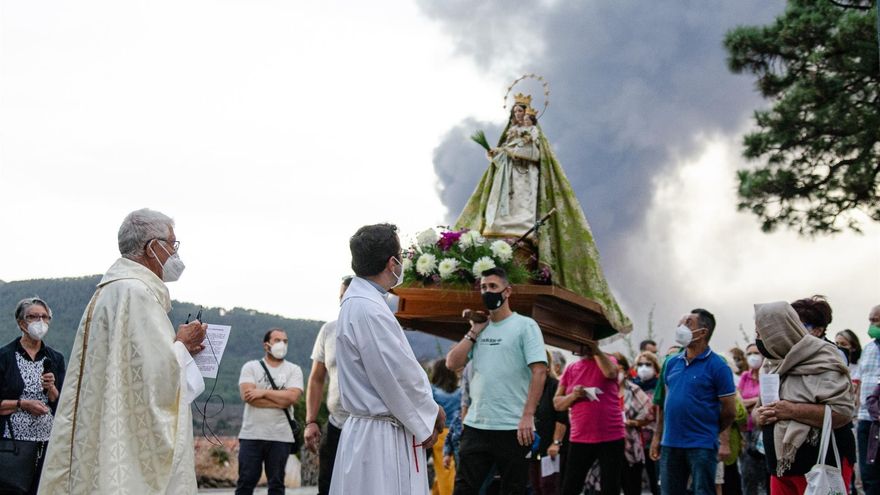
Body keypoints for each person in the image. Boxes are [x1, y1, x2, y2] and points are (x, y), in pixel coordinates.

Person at [39, 208, 207, 494]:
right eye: (173, 245)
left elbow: (132, 373)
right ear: (152, 248)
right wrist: (183, 344)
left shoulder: (112, 290)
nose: (175, 254)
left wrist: (180, 348)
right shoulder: (136, 294)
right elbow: (154, 381)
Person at [455, 93, 631, 336]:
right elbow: (502, 159)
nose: (519, 115)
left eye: (522, 112)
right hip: (505, 183)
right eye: (516, 112)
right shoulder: (510, 135)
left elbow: (535, 156)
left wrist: (512, 153)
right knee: (497, 216)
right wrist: (498, 155)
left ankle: (521, 246)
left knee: (520, 213)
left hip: (526, 182)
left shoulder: (533, 135)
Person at [330, 223, 445, 495]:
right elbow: (396, 374)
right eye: (401, 255)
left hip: (372, 431)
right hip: (379, 438)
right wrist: (431, 412)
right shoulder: (368, 309)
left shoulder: (361, 302)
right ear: (392, 263)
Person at [446, 266, 548, 495]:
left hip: (514, 426)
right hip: (476, 425)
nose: (487, 291)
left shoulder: (525, 326)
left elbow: (540, 371)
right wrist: (474, 331)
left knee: (513, 490)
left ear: (507, 291)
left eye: (493, 286)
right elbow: (452, 363)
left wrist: (528, 415)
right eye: (483, 287)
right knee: (463, 489)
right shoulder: (480, 328)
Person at [752, 301, 856, 494]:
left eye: (762, 334)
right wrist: (760, 416)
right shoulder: (771, 364)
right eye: (757, 334)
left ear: (779, 333)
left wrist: (791, 410)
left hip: (820, 468)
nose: (758, 340)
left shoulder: (823, 358)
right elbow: (759, 409)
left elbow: (842, 412)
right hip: (780, 468)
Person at [649, 308, 736, 495]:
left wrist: (711, 430)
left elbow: (729, 411)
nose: (681, 327)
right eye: (680, 323)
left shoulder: (718, 366)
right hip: (670, 443)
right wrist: (657, 437)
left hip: (701, 444)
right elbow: (665, 404)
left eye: (688, 323)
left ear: (703, 332)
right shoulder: (671, 363)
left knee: (703, 491)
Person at [0, 298, 66, 494]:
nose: (40, 321)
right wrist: (23, 404)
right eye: (33, 317)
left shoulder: (55, 358)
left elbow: (61, 402)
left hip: (47, 442)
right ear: (22, 323)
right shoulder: (5, 357)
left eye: (44, 317)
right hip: (12, 443)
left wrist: (51, 388)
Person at [236, 328, 304, 495]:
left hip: (281, 436)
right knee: (245, 483)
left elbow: (292, 398)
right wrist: (281, 399)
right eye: (277, 340)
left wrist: (262, 392)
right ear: (266, 345)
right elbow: (248, 397)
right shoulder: (251, 367)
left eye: (285, 341)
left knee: (277, 486)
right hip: (251, 435)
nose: (282, 344)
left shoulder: (294, 370)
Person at [552, 340, 624, 495]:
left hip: (611, 435)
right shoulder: (571, 369)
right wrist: (574, 395)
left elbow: (611, 373)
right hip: (581, 436)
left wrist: (596, 350)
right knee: (571, 485)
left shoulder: (609, 360)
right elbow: (558, 404)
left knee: (610, 486)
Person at [304, 276, 353, 495]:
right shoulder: (329, 330)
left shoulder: (376, 328)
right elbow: (316, 378)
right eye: (341, 297)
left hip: (367, 426)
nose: (344, 302)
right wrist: (311, 421)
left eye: (348, 297)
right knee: (326, 487)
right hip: (336, 424)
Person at [613, 353, 653, 495]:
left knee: (631, 486)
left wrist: (634, 422)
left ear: (625, 371)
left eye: (618, 369)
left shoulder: (634, 390)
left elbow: (650, 414)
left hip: (630, 445)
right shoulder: (603, 390)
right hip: (608, 446)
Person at [528, 350, 567, 495]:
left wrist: (556, 443)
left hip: (551, 446)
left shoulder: (554, 386)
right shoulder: (528, 387)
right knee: (535, 486)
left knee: (549, 486)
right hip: (532, 447)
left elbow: (562, 417)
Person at [738, 343, 769, 495]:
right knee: (748, 475)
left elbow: (769, 400)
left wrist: (751, 403)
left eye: (756, 353)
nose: (753, 357)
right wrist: (757, 401)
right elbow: (738, 402)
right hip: (746, 432)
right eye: (749, 353)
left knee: (766, 476)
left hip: (763, 432)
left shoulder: (768, 375)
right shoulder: (745, 376)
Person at [856, 304, 880, 493]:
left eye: (875, 320)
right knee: (868, 475)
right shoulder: (869, 348)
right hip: (865, 418)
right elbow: (861, 380)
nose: (871, 325)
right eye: (870, 320)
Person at [430, 359, 462, 495]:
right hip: (458, 433)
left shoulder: (432, 390)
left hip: (440, 433)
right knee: (452, 470)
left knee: (444, 471)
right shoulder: (460, 392)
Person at [632, 351, 660, 495]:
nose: (643, 368)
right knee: (633, 480)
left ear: (655, 367)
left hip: (654, 439)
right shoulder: (631, 387)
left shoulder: (659, 387)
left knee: (655, 477)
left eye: (648, 364)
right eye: (640, 364)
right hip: (634, 439)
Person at [791, 295, 849, 363]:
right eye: (791, 324)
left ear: (818, 331)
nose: (792, 329)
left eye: (801, 326)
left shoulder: (834, 355)